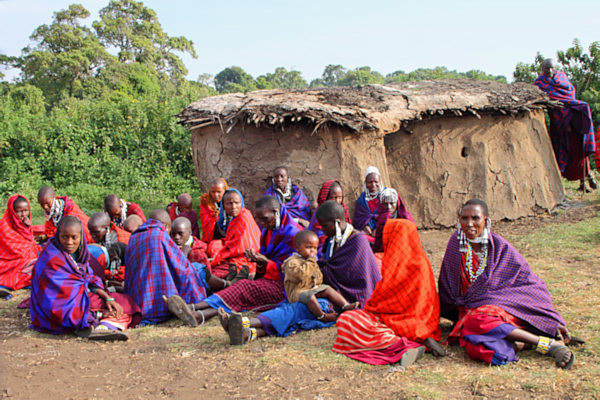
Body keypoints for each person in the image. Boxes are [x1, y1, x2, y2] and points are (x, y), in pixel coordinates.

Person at [438, 198, 575, 369]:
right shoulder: (456, 244)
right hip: (470, 311)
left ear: (486, 221)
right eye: (464, 218)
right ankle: (526, 343)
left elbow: (526, 281)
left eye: (475, 218)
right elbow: (448, 285)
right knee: (477, 348)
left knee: (476, 322)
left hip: (501, 309)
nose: (469, 224)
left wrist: (547, 320)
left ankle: (548, 345)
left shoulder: (499, 247)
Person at [164, 196, 300, 326]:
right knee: (239, 292)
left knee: (242, 288)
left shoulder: (293, 235)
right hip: (267, 278)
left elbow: (294, 271)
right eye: (260, 220)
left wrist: (265, 262)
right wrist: (258, 260)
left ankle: (194, 307)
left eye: (265, 219)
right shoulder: (269, 230)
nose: (262, 224)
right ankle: (198, 314)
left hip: (286, 287)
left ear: (276, 212)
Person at [332, 219, 444, 366]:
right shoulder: (416, 263)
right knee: (347, 318)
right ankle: (407, 344)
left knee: (348, 320)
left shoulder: (401, 265)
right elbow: (428, 306)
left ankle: (399, 344)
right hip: (414, 327)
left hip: (400, 324)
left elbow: (381, 301)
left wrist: (372, 310)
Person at [30, 216, 141, 340]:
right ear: (58, 236)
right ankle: (98, 323)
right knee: (118, 311)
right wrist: (98, 313)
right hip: (59, 309)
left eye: (74, 237)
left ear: (81, 237)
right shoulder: (50, 257)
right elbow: (55, 301)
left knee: (125, 303)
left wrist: (108, 298)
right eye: (64, 237)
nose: (69, 242)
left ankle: (103, 327)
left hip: (81, 297)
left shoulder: (81, 253)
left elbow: (88, 279)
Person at [124, 209, 207, 324]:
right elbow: (180, 267)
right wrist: (185, 255)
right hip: (158, 303)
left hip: (136, 305)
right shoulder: (160, 235)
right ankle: (198, 303)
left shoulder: (133, 237)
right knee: (198, 269)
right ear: (166, 226)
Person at [534, 58, 599, 191]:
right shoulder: (540, 83)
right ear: (542, 69)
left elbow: (570, 92)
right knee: (565, 153)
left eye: (551, 68)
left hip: (573, 122)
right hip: (559, 124)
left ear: (555, 68)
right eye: (546, 68)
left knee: (580, 153)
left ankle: (584, 181)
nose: (549, 70)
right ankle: (576, 181)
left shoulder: (562, 77)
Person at [282, 230, 359, 322]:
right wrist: (310, 261)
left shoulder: (311, 260)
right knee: (309, 297)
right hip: (297, 292)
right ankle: (322, 316)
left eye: (315, 248)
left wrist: (317, 285)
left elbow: (318, 276)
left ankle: (345, 305)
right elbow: (301, 275)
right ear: (297, 248)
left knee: (327, 289)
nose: (312, 250)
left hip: (311, 288)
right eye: (308, 247)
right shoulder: (291, 262)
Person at [317, 201, 381, 308]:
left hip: (356, 294)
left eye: (325, 226)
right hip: (334, 291)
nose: (323, 230)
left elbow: (351, 274)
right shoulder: (332, 239)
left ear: (337, 222)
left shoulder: (358, 240)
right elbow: (328, 262)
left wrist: (325, 271)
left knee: (317, 306)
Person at [170, 216, 247, 296]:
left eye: (180, 233)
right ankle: (227, 284)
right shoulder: (170, 246)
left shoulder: (197, 251)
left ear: (190, 232)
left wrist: (183, 256)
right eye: (173, 234)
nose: (176, 237)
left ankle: (227, 284)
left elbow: (204, 276)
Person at [206, 189, 261, 279]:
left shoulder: (243, 217)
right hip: (234, 253)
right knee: (214, 246)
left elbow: (240, 248)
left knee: (212, 274)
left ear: (241, 203)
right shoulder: (235, 218)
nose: (233, 207)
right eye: (229, 203)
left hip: (246, 259)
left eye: (237, 203)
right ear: (223, 206)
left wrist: (220, 256)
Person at [0, 195, 41, 294]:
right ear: (13, 212)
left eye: (26, 210)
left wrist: (26, 228)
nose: (24, 214)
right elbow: (15, 251)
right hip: (9, 262)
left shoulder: (25, 223)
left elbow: (29, 243)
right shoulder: (4, 227)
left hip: (25, 259)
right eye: (19, 211)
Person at [87, 212, 129, 283]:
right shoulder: (93, 241)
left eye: (96, 232)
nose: (92, 235)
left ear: (106, 229)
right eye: (91, 232)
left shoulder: (124, 240)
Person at [307, 180, 352, 246]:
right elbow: (318, 236)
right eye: (334, 197)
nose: (337, 201)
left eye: (340, 197)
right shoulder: (320, 213)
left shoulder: (344, 210)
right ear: (326, 197)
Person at [372, 188, 414, 253]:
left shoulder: (406, 217)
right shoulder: (382, 218)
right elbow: (379, 242)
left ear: (397, 203)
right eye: (385, 204)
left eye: (392, 203)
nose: (389, 207)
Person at [353, 166, 386, 240]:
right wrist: (365, 226)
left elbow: (390, 215)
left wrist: (379, 228)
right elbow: (358, 220)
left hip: (384, 230)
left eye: (376, 182)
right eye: (370, 182)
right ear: (365, 183)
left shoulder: (386, 196)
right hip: (368, 234)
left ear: (380, 182)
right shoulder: (362, 200)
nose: (373, 185)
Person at [199, 178, 228, 243]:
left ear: (225, 191)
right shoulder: (205, 202)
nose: (216, 195)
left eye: (219, 192)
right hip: (212, 237)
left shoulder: (230, 202)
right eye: (213, 192)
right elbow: (206, 223)